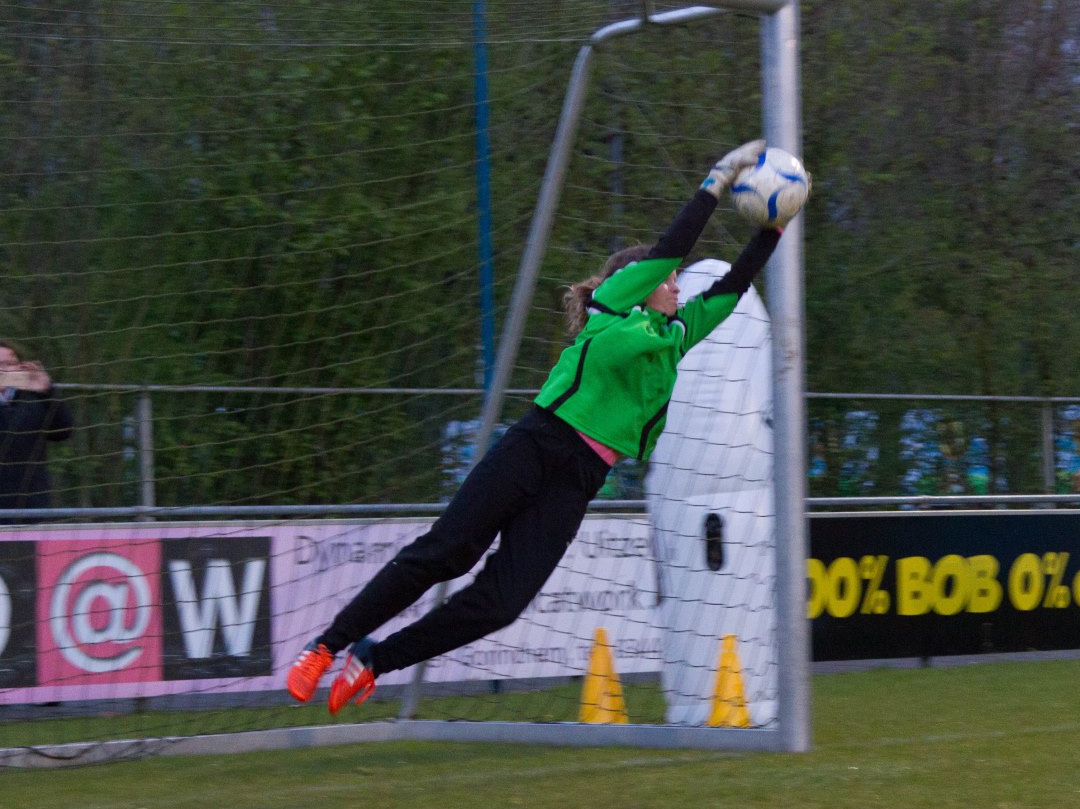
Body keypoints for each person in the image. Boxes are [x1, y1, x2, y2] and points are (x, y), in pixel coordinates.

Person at [287, 139, 791, 714]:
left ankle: (375, 660)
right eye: (669, 277)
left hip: (580, 479)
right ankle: (326, 646)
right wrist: (717, 180)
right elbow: (673, 245)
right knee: (445, 552)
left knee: (502, 604)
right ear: (636, 283)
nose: (678, 283)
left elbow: (732, 285)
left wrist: (775, 225)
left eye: (677, 278)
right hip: (538, 443)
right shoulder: (614, 307)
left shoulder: (676, 335)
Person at [0, 341, 75, 520]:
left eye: (10, 363)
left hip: (33, 503)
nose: (4, 370)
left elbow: (63, 432)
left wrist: (47, 391)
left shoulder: (33, 398)